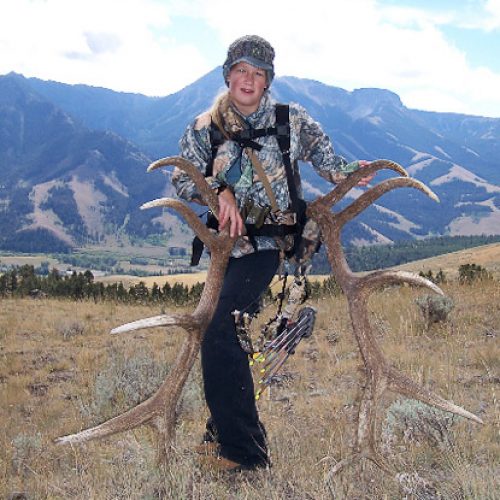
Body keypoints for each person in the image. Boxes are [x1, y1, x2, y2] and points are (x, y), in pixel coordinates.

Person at [172, 35, 373, 472]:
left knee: (219, 330)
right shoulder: (205, 127)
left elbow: (328, 161)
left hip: (271, 248)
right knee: (226, 336)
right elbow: (183, 179)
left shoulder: (291, 120)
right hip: (228, 249)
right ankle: (219, 433)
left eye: (258, 73)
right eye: (242, 70)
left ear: (267, 82)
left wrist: (357, 172)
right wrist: (218, 190)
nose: (249, 79)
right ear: (228, 75)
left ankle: (245, 452)